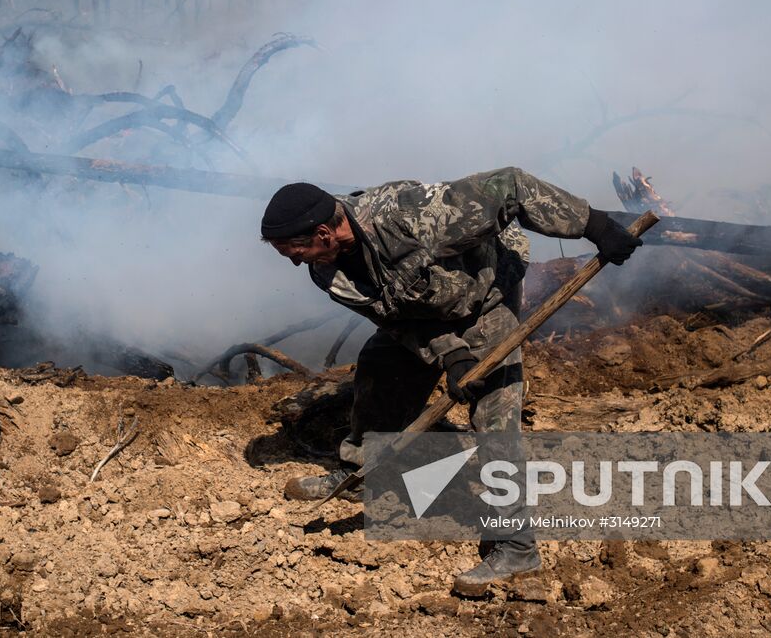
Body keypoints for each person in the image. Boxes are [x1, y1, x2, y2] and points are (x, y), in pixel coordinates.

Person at [261, 167, 641, 595]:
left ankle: (518, 545)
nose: (296, 262)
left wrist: (595, 225)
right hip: (424, 313)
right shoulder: (330, 272)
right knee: (380, 367)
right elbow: (393, 318)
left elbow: (511, 187)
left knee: (494, 413)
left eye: (295, 249)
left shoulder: (411, 217)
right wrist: (450, 353)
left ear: (325, 232)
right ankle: (363, 473)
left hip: (484, 296)